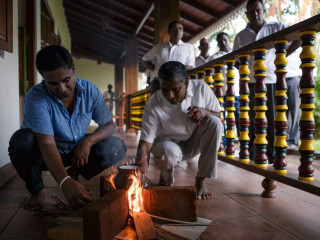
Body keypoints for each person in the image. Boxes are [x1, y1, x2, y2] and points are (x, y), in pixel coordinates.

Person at [8, 45, 127, 210]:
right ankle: (37, 190)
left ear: (73, 69)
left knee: (116, 146)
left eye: (66, 80)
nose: (62, 89)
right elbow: (47, 144)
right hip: (44, 154)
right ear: (44, 79)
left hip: (76, 152)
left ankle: (74, 173)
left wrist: (88, 142)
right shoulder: (36, 97)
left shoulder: (90, 91)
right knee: (20, 141)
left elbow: (109, 126)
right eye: (53, 84)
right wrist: (63, 183)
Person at [135, 61, 223, 200]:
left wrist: (205, 112)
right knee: (168, 152)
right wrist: (139, 176)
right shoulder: (154, 103)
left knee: (215, 123)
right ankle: (166, 178)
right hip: (166, 142)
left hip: (193, 142)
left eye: (176, 89)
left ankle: (201, 180)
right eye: (165, 90)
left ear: (187, 84)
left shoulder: (201, 88)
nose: (170, 95)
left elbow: (219, 115)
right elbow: (145, 144)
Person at [233, 0, 301, 162]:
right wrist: (246, 71)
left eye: (258, 10)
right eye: (251, 11)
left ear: (263, 10)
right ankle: (252, 150)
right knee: (251, 117)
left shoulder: (276, 27)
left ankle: (272, 154)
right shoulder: (241, 36)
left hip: (272, 80)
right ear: (246, 14)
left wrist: (281, 57)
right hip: (251, 82)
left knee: (272, 118)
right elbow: (235, 59)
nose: (255, 14)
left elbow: (298, 39)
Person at [142, 20, 195, 94]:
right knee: (156, 104)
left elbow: (190, 66)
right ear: (169, 31)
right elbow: (145, 60)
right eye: (174, 28)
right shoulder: (159, 47)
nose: (177, 30)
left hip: (178, 83)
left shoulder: (188, 47)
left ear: (182, 32)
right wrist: (155, 69)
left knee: (177, 104)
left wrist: (173, 72)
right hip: (159, 83)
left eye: (180, 29)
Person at [211, 32, 240, 139]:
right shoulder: (215, 57)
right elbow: (212, 76)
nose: (223, 43)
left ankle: (242, 141)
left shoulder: (237, 54)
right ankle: (222, 142)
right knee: (221, 118)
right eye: (220, 41)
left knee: (239, 118)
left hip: (237, 92)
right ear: (218, 44)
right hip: (221, 93)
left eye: (225, 40)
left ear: (229, 40)